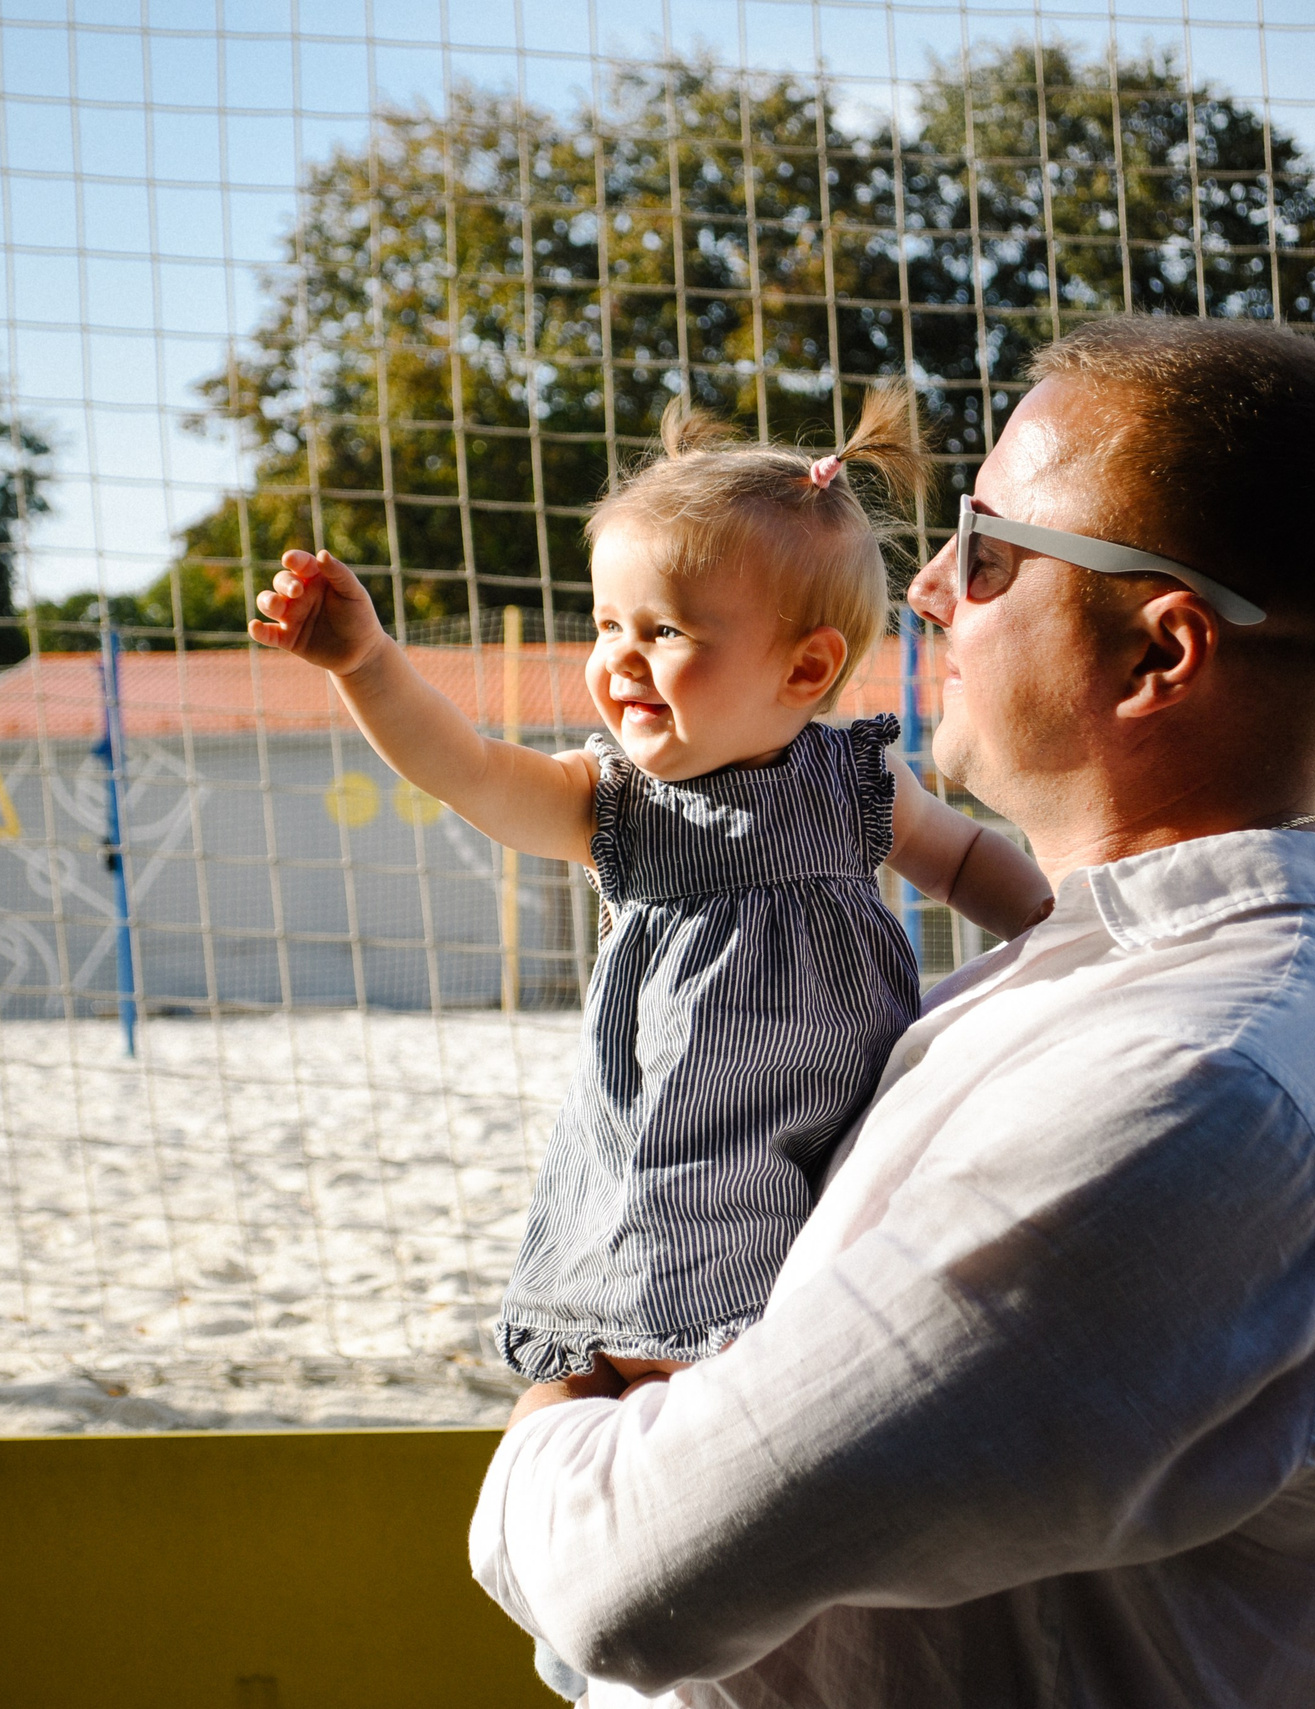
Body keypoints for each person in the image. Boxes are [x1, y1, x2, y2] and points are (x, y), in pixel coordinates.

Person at [468, 315, 1315, 1708]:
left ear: (1161, 652)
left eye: (989, 551)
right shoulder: (1129, 976)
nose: (930, 586)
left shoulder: (1189, 1088)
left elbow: (618, 1578)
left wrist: (561, 1383)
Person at [247, 382, 1052, 1699]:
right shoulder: (615, 806)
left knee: (779, 1394)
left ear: (804, 670)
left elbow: (973, 865)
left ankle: (678, 1609)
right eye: (607, 625)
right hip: (676, 1165)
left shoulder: (856, 782)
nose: (617, 658)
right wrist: (366, 663)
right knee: (626, 1370)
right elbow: (465, 768)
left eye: (664, 630)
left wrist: (1069, 941)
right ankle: (588, 1617)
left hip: (835, 1151)